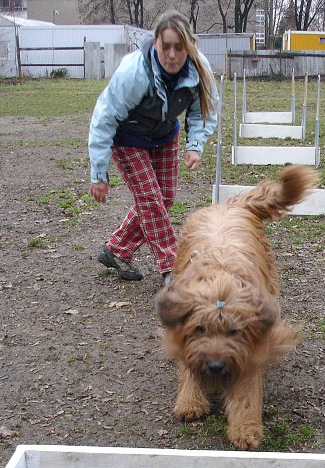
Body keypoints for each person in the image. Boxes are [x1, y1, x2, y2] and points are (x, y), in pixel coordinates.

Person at [88, 9, 218, 284]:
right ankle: (172, 267)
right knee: (150, 200)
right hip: (128, 138)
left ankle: (116, 249)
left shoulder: (199, 70)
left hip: (164, 135)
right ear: (155, 42)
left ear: (189, 46)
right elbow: (104, 118)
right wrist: (99, 174)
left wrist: (195, 145)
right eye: (165, 46)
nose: (172, 55)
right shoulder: (134, 71)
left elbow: (203, 110)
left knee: (165, 198)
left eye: (179, 48)